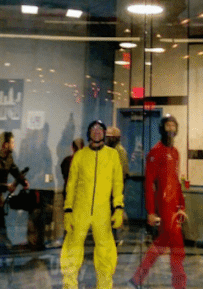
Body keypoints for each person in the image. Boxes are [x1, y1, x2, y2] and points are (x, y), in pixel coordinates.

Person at [61, 120, 124, 289]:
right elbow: (71, 185)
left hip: (102, 211)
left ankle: (104, 285)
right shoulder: (80, 156)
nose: (97, 132)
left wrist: (118, 207)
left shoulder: (112, 155)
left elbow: (118, 183)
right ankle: (69, 285)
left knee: (105, 250)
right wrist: (68, 209)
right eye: (93, 129)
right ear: (88, 133)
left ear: (104, 133)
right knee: (72, 247)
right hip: (80, 209)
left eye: (100, 129)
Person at [130, 115, 187, 289]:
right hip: (163, 208)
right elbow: (149, 184)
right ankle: (179, 285)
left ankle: (137, 278)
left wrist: (181, 206)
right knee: (176, 247)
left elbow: (176, 182)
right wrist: (150, 211)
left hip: (174, 208)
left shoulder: (175, 152)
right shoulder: (155, 152)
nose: (171, 129)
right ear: (162, 128)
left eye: (173, 126)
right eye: (168, 125)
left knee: (162, 244)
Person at [0, 130, 29, 248]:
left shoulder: (8, 156)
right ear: (5, 144)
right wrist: (6, 187)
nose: (14, 145)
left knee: (0, 222)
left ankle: (3, 246)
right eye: (12, 142)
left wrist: (23, 181)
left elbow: (14, 169)